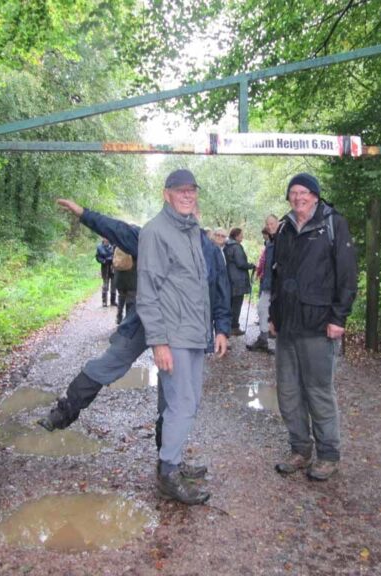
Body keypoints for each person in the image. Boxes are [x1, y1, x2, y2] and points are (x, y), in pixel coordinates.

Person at [38, 198, 230, 452]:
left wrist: (222, 329)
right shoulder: (155, 239)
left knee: (172, 393)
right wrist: (84, 214)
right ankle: (64, 411)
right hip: (145, 322)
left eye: (192, 211)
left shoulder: (211, 252)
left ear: (198, 216)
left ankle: (167, 458)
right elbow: (119, 230)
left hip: (182, 332)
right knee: (109, 362)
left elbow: (220, 292)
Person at [137, 168, 227, 505]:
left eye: (192, 190)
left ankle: (172, 459)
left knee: (189, 401)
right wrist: (158, 342)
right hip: (173, 336)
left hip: (194, 334)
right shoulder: (155, 232)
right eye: (180, 190)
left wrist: (216, 329)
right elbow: (148, 292)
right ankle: (169, 473)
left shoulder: (190, 230)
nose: (188, 195)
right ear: (167, 194)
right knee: (181, 404)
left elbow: (201, 286)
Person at [270, 173, 357, 481]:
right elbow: (277, 276)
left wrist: (338, 318)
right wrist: (274, 315)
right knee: (288, 392)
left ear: (315, 196)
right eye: (293, 192)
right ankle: (300, 450)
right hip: (288, 326)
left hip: (319, 325)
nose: (298, 197)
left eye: (304, 192)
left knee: (318, 392)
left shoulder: (333, 224)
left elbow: (347, 275)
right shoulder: (284, 228)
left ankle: (329, 455)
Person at [247, 215, 279, 353]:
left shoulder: (282, 239)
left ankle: (278, 345)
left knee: (277, 313)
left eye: (272, 223)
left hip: (279, 285)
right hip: (268, 283)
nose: (270, 226)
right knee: (262, 308)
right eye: (268, 224)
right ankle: (263, 339)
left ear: (277, 223)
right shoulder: (269, 242)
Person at [223, 227, 254, 336]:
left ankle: (227, 326)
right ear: (236, 236)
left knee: (230, 304)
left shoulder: (226, 246)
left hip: (229, 278)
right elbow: (241, 263)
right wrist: (251, 266)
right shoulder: (236, 247)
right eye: (241, 235)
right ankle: (234, 327)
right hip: (238, 280)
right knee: (236, 304)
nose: (242, 236)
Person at [113, 249, 136, 325]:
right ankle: (128, 320)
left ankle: (119, 317)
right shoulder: (132, 246)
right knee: (131, 299)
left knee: (121, 297)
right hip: (131, 277)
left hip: (119, 277)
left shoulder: (118, 246)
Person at [95, 238, 116, 307]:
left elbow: (116, 255)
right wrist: (104, 261)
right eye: (105, 238)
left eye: (107, 238)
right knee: (105, 285)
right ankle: (104, 301)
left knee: (114, 284)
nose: (106, 240)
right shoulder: (99, 247)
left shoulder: (113, 245)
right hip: (105, 267)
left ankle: (113, 301)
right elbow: (98, 257)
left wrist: (113, 260)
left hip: (113, 267)